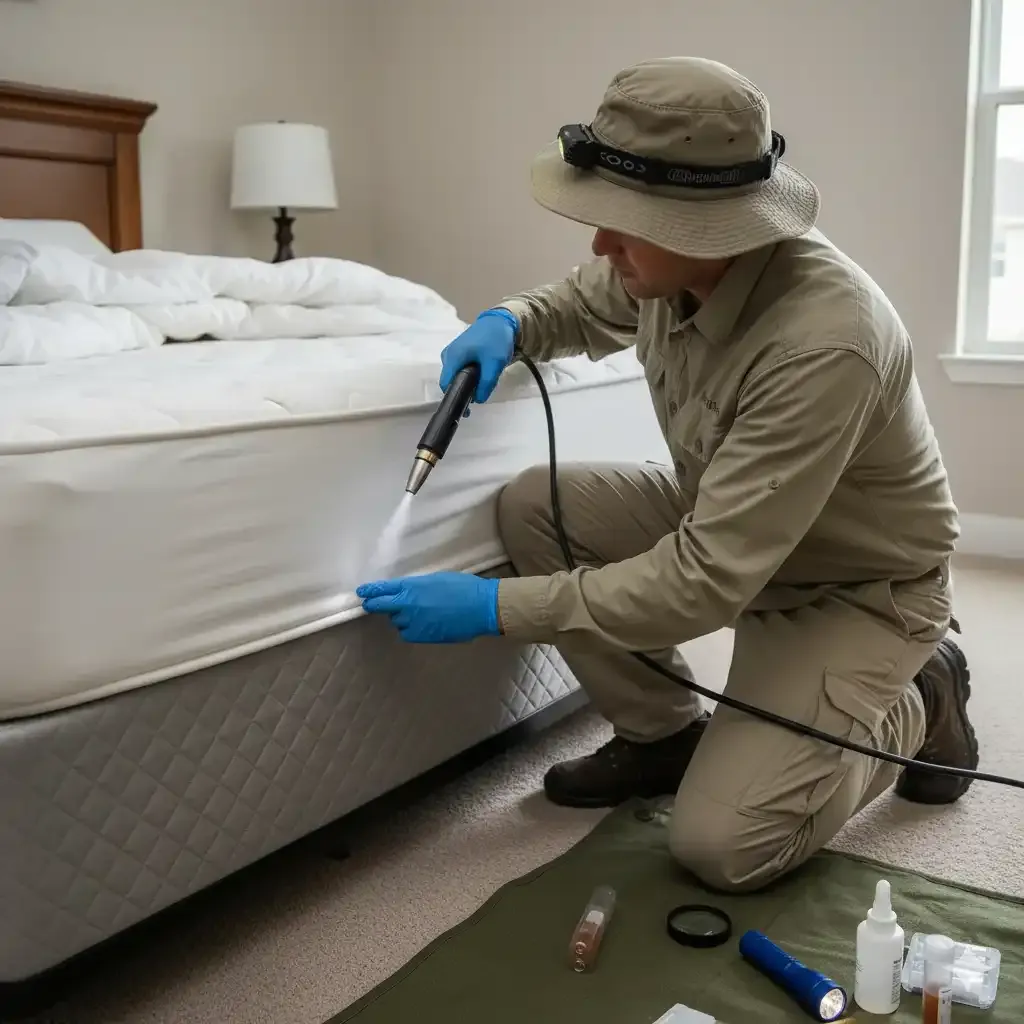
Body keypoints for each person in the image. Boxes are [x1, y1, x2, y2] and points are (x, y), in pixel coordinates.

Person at [357, 56, 980, 893]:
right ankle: (661, 737)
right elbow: (581, 300)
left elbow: (704, 584)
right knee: (539, 506)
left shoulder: (824, 341)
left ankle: (922, 695)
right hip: (730, 528)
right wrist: (510, 320)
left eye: (626, 221)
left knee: (725, 847)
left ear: (713, 228)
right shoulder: (667, 267)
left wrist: (494, 608)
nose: (599, 240)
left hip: (856, 588)